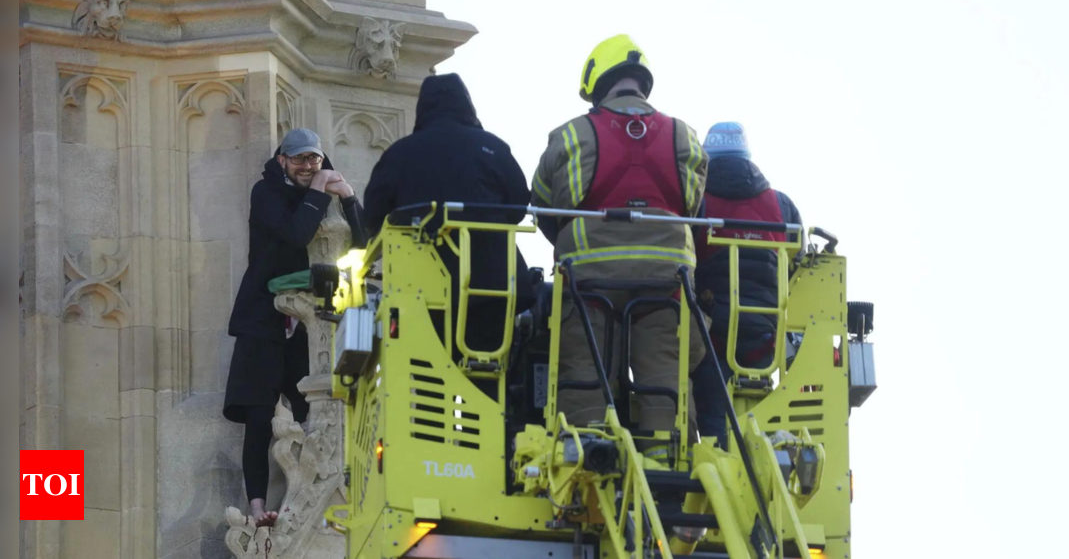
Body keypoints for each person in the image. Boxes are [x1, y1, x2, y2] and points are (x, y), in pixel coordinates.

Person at [530, 35, 708, 452]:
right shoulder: (684, 135)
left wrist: (573, 242)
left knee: (585, 371)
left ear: (596, 84)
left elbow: (541, 203)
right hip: (667, 278)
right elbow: (694, 205)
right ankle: (665, 458)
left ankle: (588, 452)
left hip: (589, 280)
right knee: (665, 373)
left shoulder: (571, 135)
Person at [223, 127, 368, 527]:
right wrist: (320, 188)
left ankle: (319, 505)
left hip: (311, 324)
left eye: (314, 159)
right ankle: (256, 508)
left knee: (319, 412)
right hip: (263, 318)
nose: (308, 166)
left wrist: (351, 198)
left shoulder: (331, 191)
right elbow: (294, 233)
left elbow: (367, 246)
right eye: (300, 159)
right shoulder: (265, 191)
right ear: (283, 160)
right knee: (257, 416)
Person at [364, 73, 533, 357]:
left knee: (425, 385)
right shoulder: (491, 147)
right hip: (492, 286)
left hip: (420, 290)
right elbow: (518, 206)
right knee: (488, 383)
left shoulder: (399, 154)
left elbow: (373, 217)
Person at [691, 122, 803, 448]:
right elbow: (798, 267)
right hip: (766, 338)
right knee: (759, 416)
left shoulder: (696, 203)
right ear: (747, 156)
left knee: (713, 414)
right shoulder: (782, 206)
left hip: (711, 334)